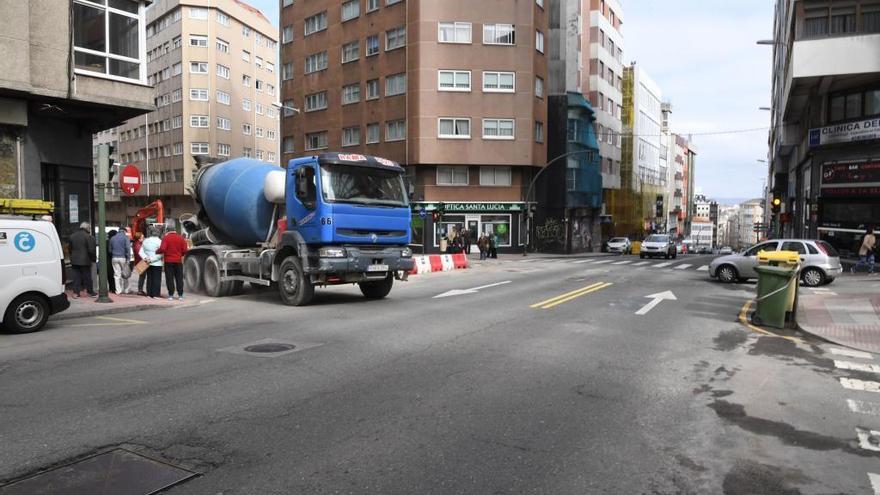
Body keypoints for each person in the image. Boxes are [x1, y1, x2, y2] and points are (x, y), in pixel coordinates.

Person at [157, 225, 189, 301]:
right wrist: (180, 255)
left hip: (168, 261)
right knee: (179, 278)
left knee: (169, 278)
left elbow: (162, 249)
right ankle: (180, 295)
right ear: (175, 230)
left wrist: (156, 252)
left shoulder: (166, 238)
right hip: (178, 261)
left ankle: (171, 295)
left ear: (168, 230)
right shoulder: (181, 238)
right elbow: (185, 250)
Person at [68, 222, 97, 298]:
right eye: (89, 228)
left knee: (76, 277)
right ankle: (90, 292)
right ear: (87, 228)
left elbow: (70, 249)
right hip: (85, 260)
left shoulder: (72, 236)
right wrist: (93, 259)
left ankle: (76, 293)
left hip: (74, 260)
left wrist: (72, 256)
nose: (90, 230)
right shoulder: (89, 237)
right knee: (87, 277)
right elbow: (91, 250)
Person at [139, 228, 164, 298]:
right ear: (158, 233)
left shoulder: (145, 241)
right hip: (157, 263)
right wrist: (152, 259)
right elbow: (161, 254)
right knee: (157, 279)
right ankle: (155, 294)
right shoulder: (160, 241)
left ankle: (149, 293)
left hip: (147, 262)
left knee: (149, 278)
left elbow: (140, 252)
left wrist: (146, 258)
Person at [109, 227, 132, 294]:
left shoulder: (112, 238)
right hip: (123, 257)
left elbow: (110, 250)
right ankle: (126, 290)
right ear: (124, 231)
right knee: (125, 273)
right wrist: (128, 259)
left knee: (116, 274)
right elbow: (128, 248)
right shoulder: (125, 237)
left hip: (114, 257)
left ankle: (118, 291)